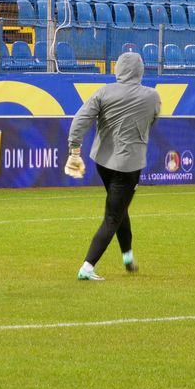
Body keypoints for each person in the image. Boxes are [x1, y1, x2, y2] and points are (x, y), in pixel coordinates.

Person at [66, 52, 161, 281]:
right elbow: (153, 121)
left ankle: (128, 256)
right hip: (129, 165)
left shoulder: (104, 92)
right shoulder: (152, 96)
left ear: (117, 69)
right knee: (113, 215)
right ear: (140, 70)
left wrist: (74, 149)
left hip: (103, 162)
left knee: (119, 209)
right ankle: (87, 266)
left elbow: (80, 120)